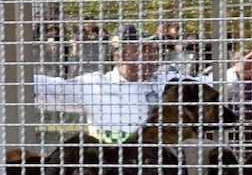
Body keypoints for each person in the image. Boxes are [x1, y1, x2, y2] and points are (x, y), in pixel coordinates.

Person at [33, 24, 189, 143]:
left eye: (153, 49)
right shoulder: (95, 86)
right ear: (119, 55)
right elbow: (43, 88)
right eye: (144, 50)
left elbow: (206, 89)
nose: (153, 56)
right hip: (110, 172)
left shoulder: (167, 82)